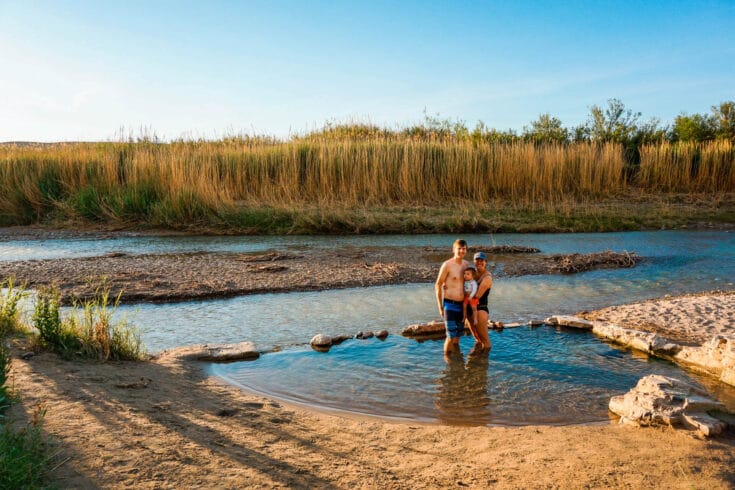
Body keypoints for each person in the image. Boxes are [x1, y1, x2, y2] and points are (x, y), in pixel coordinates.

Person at [435, 239, 470, 356]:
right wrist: (440, 307)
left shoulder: (466, 265)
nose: (461, 251)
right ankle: (447, 363)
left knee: (458, 336)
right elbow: (438, 284)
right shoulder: (447, 265)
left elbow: (469, 283)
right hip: (449, 305)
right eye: (459, 248)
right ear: (453, 249)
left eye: (463, 248)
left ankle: (457, 363)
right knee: (450, 336)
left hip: (462, 306)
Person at [469, 251, 493, 351]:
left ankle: (484, 363)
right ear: (473, 262)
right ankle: (475, 361)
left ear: (486, 262)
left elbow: (477, 296)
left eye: (482, 260)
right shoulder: (471, 274)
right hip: (470, 310)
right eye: (477, 260)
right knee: (477, 339)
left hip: (480, 310)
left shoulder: (487, 278)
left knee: (485, 341)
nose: (479, 262)